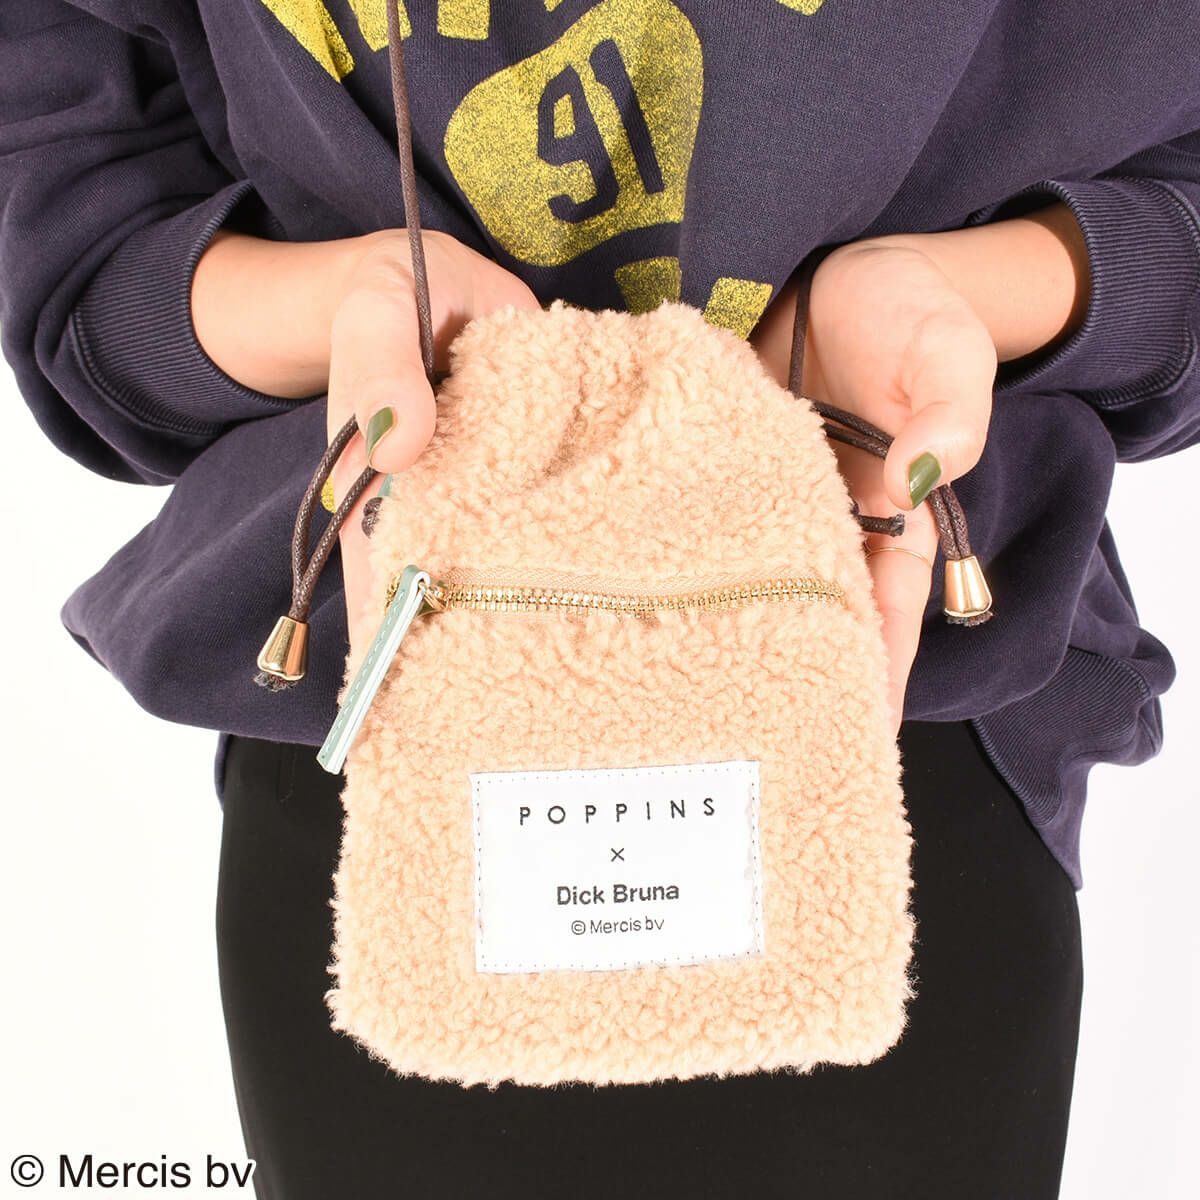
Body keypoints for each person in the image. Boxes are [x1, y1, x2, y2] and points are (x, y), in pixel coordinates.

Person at [1, 3, 1197, 1197]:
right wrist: (347, 304)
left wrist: (964, 297)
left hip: (896, 713)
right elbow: (78, 239)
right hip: (392, 727)